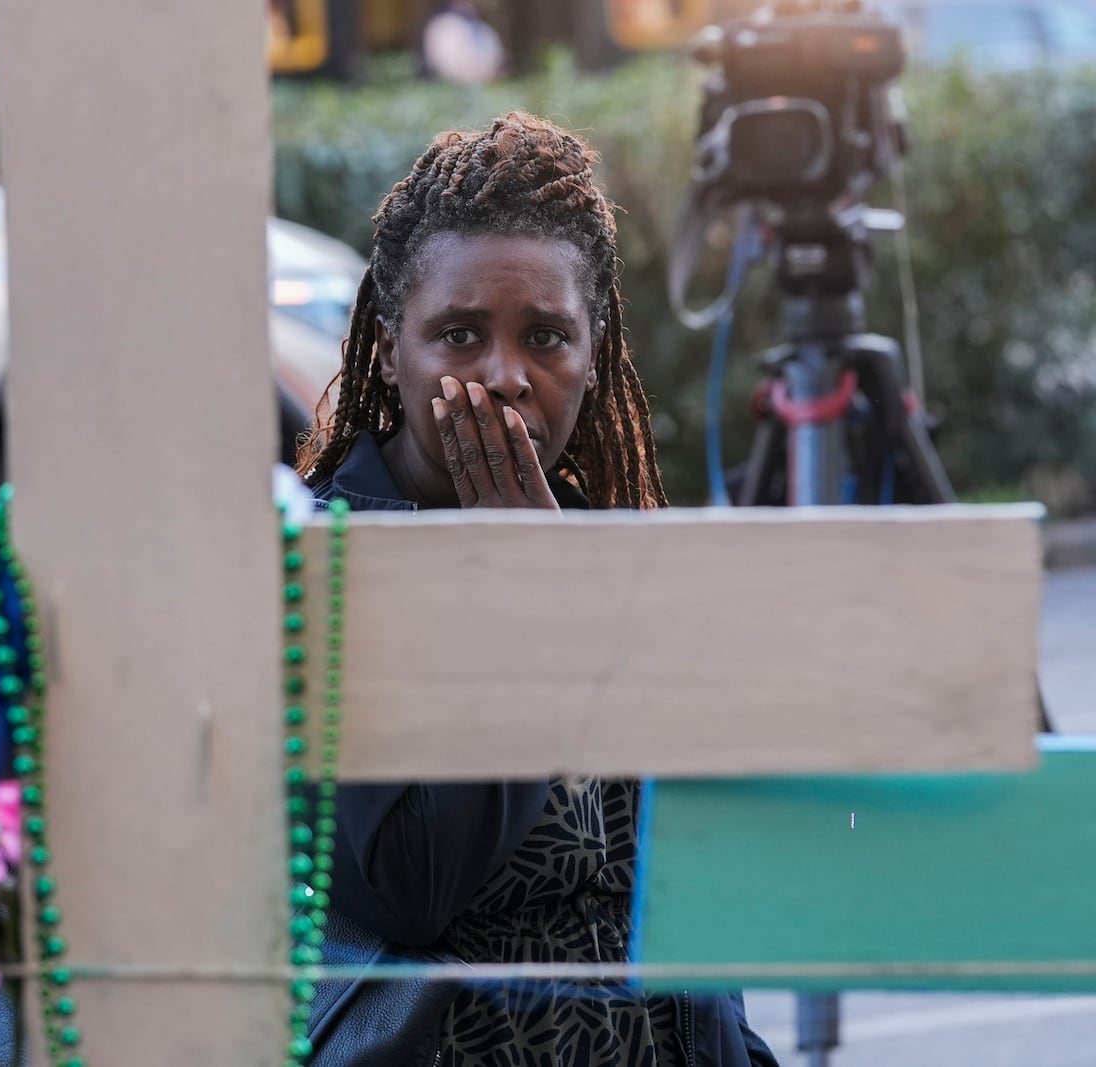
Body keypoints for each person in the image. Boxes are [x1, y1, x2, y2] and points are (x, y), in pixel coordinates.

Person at [296, 112, 778, 1067]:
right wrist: (523, 583)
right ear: (392, 351)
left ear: (593, 355)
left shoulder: (610, 544)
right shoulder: (326, 561)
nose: (505, 376)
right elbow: (413, 885)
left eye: (547, 336)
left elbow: (685, 906)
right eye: (460, 334)